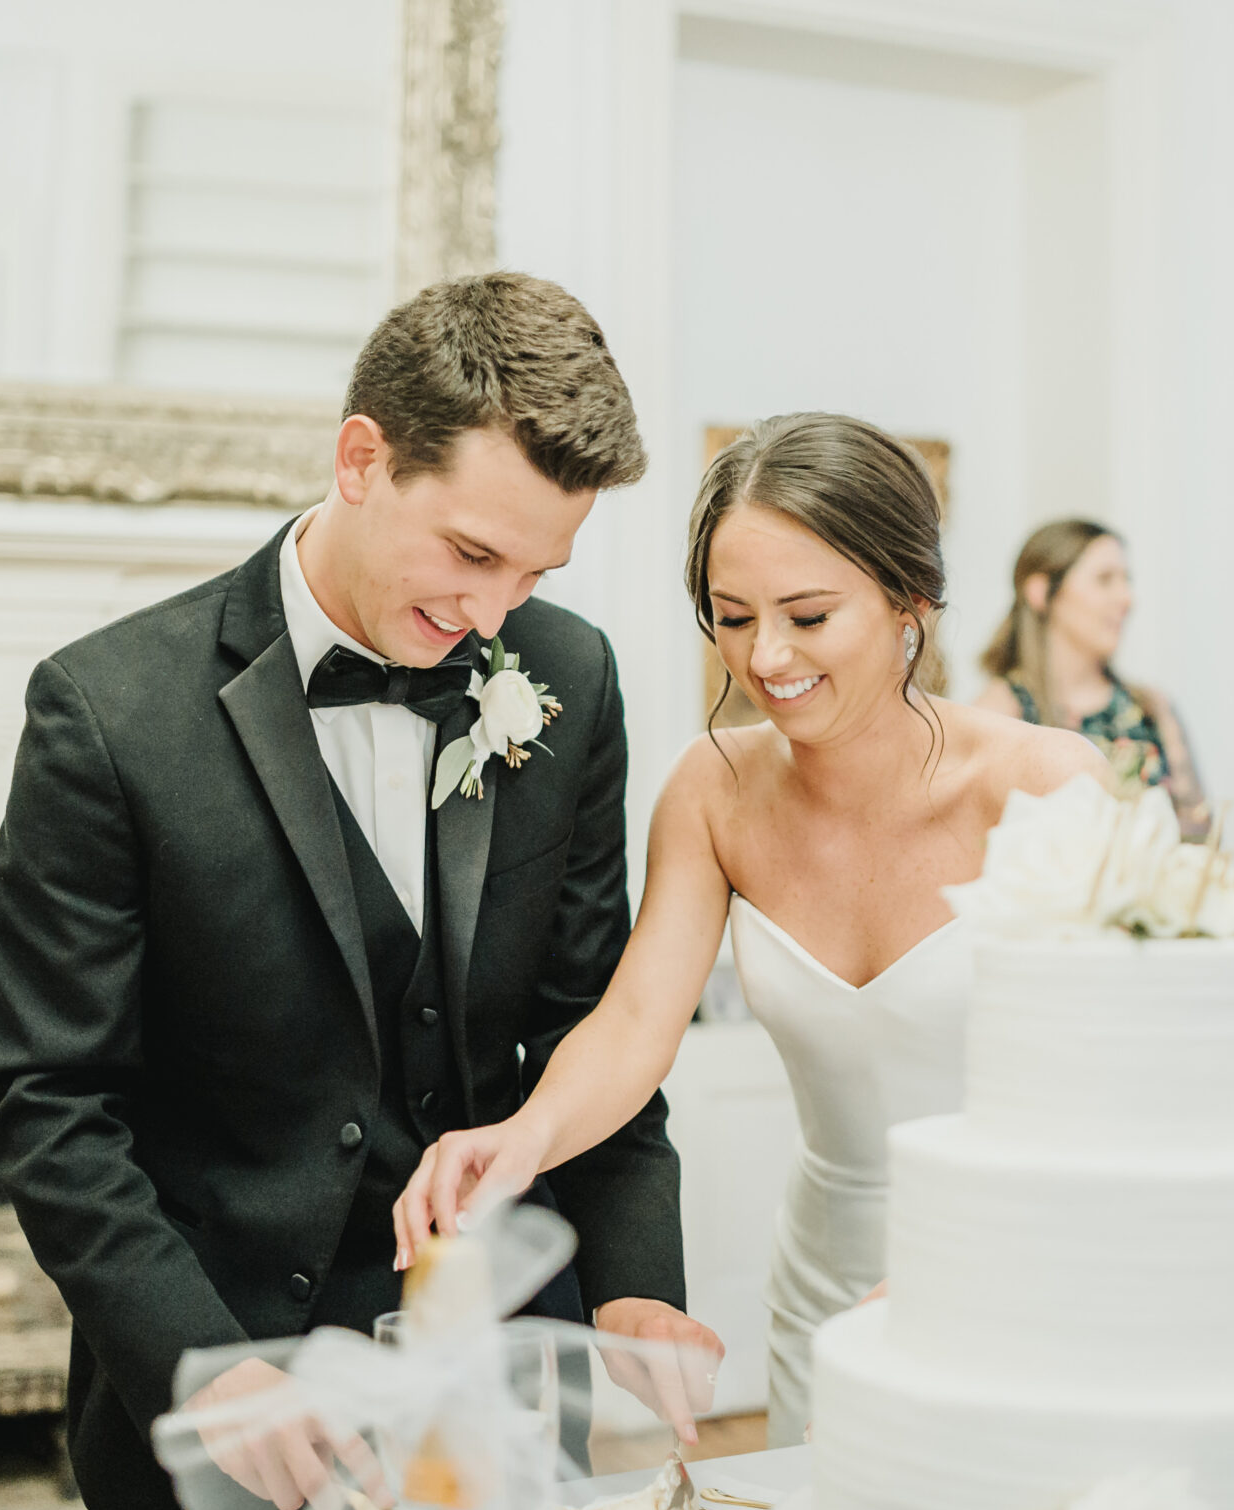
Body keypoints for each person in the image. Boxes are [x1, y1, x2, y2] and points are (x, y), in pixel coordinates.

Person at [0, 274, 723, 1510]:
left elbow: (588, 1029)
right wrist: (204, 1361)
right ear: (361, 457)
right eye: (471, 554)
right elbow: (49, 1101)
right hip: (235, 1403)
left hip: (501, 1395)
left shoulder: (570, 675)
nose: (491, 618)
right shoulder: (108, 715)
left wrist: (640, 1284)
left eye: (536, 569)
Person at [391, 414, 1104, 1442]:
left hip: (1031, 1259)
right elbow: (638, 1016)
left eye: (809, 616)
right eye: (732, 617)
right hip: (828, 1271)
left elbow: (1105, 1090)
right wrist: (521, 1138)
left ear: (910, 603)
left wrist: (967, 1264)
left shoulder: (1048, 786)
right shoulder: (712, 786)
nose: (766, 656)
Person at [977, 519, 1210, 836]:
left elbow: (1201, 836)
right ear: (1042, 593)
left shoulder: (1152, 709)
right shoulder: (1000, 714)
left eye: (1126, 580)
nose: (1127, 598)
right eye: (1104, 580)